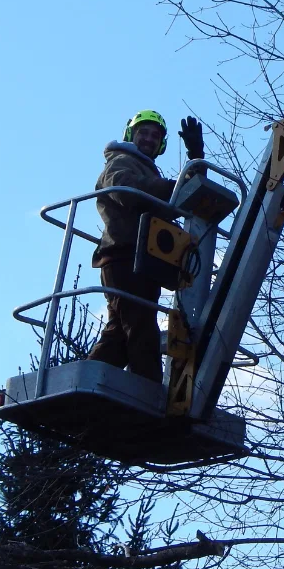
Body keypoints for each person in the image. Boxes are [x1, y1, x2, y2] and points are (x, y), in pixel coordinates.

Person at [86, 110, 205, 382]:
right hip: (124, 257)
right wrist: (171, 188)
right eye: (144, 133)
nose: (149, 139)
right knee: (141, 328)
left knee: (119, 335)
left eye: (156, 136)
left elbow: (188, 195)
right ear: (131, 135)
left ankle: (87, 383)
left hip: (145, 258)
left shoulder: (147, 171)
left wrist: (196, 157)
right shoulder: (120, 161)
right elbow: (126, 190)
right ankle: (148, 390)